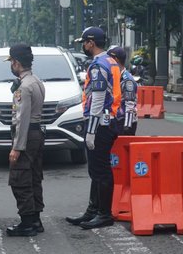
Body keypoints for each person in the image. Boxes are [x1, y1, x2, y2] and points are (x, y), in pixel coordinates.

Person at [66, 27, 121, 229]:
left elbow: (97, 98)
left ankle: (104, 214)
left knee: (101, 170)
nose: (83, 45)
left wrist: (91, 130)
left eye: (84, 42)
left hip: (100, 123)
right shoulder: (111, 61)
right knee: (97, 170)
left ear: (91, 42)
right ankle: (93, 211)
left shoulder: (98, 64)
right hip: (108, 121)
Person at [4, 44, 46, 237]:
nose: (11, 65)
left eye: (11, 62)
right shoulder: (36, 81)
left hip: (27, 135)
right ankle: (35, 219)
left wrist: (17, 147)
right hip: (37, 134)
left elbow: (22, 119)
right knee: (34, 177)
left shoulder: (24, 86)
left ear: (17, 63)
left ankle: (27, 223)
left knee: (20, 179)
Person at [107, 46, 138, 135]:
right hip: (115, 119)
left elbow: (130, 104)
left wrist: (127, 126)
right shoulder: (114, 76)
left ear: (115, 60)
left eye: (109, 59)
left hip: (124, 121)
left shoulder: (127, 80)